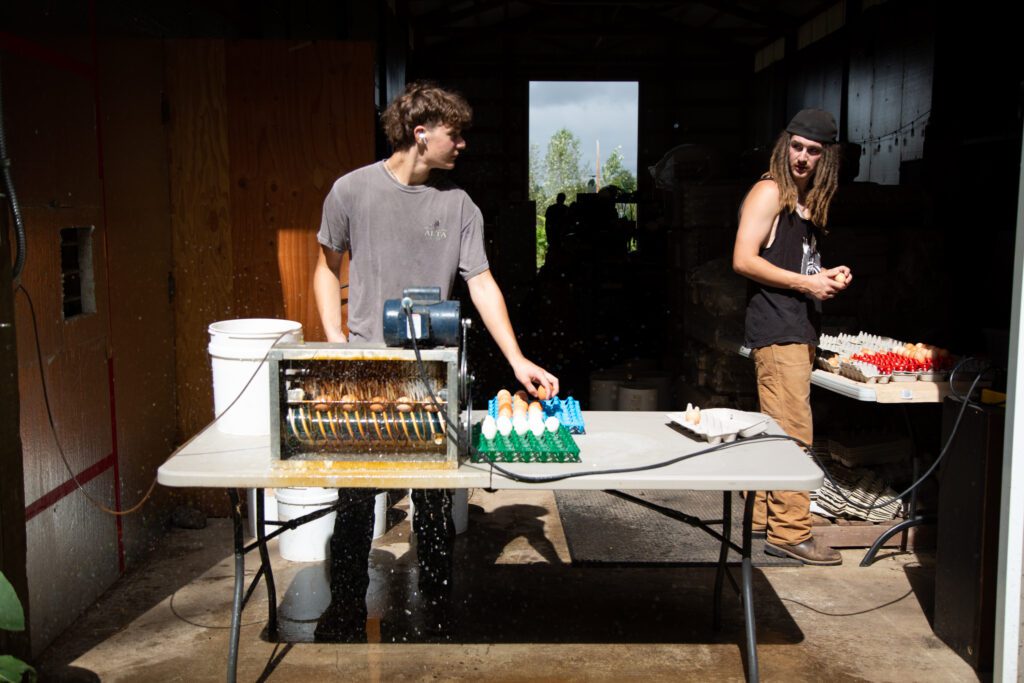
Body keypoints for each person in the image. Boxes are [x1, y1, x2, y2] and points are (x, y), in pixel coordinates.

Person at [312, 81, 559, 640]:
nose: (463, 145)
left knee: (433, 499)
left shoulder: (459, 204)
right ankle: (345, 607)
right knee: (355, 500)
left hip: (434, 377)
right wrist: (333, 342)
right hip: (368, 374)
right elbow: (327, 267)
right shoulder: (351, 192)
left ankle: (438, 607)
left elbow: (483, 282)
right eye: (457, 134)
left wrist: (516, 359)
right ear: (421, 134)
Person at [732, 108, 852, 566]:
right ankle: (790, 532)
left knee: (774, 431)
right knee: (794, 434)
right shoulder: (769, 192)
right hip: (777, 330)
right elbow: (743, 259)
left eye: (813, 151)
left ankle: (763, 517)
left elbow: (788, 264)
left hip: (794, 328)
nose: (802, 158)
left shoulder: (804, 202)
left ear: (827, 158)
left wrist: (822, 276)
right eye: (797, 147)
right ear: (785, 145)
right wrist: (807, 285)